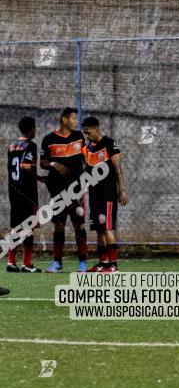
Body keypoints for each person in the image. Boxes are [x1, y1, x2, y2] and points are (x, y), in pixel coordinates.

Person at [40, 108, 88, 273]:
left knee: (79, 224)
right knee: (59, 225)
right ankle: (57, 263)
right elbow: (43, 162)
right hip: (57, 190)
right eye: (74, 118)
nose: (76, 121)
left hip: (76, 189)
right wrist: (54, 164)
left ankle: (82, 263)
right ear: (64, 119)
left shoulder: (79, 137)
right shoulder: (49, 139)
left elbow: (86, 159)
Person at [81, 117, 128, 272]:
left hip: (107, 194)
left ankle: (113, 265)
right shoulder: (89, 148)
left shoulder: (109, 144)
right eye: (84, 133)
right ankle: (103, 263)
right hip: (94, 194)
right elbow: (87, 171)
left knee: (107, 227)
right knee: (99, 229)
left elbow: (117, 169)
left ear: (96, 128)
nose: (87, 135)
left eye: (88, 132)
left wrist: (121, 189)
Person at [7, 116, 41, 272]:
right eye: (35, 128)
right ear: (31, 129)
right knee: (28, 227)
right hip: (27, 192)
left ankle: (10, 262)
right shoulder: (31, 145)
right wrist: (37, 178)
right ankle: (27, 264)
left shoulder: (12, 146)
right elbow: (26, 166)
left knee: (15, 227)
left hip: (13, 190)